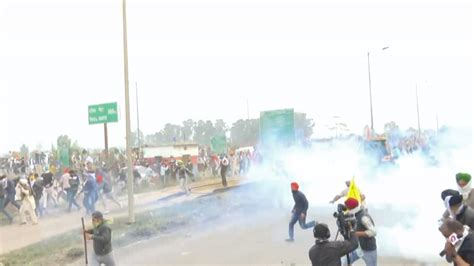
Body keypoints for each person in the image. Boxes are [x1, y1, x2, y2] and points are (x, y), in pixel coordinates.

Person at [343, 198, 377, 266]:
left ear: (350, 207)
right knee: (345, 263)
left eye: (346, 207)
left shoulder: (363, 217)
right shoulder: (356, 214)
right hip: (357, 247)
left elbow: (374, 232)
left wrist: (356, 234)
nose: (346, 209)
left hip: (368, 249)